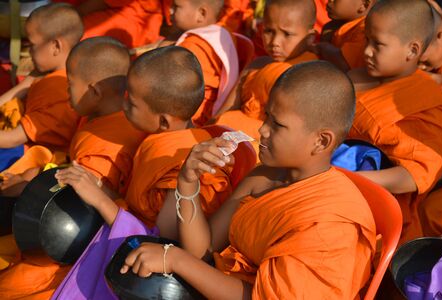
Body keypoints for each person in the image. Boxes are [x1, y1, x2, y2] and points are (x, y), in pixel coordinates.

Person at [119, 61, 376, 299]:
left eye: (277, 124)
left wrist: (175, 260)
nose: (262, 129)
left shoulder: (329, 225)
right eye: (266, 117)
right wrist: (188, 182)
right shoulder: (264, 176)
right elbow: (204, 248)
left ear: (321, 141)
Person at [51, 46, 256, 299]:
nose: (123, 103)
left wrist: (101, 200)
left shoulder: (183, 164)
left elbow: (162, 242)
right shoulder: (191, 136)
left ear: (163, 122)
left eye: (132, 103)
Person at [0, 36, 148, 300]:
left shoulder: (107, 141)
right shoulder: (103, 118)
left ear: (94, 92)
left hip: (71, 241)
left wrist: (24, 186)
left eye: (70, 86)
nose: (67, 94)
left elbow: (77, 206)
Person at [347, 0, 442, 243]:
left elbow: (415, 175)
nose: (367, 51)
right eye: (367, 40)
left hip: (376, 212)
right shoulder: (355, 75)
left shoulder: (422, 99)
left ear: (412, 50)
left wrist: (349, 179)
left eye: (378, 44)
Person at [214, 0, 318, 140]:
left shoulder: (309, 73)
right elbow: (224, 111)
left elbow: (291, 133)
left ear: (310, 38)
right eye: (269, 31)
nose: (275, 42)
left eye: (287, 34)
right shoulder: (257, 64)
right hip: (228, 136)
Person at [0, 3, 82, 160]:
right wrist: (26, 84)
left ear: (56, 46)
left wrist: (26, 84)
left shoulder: (61, 87)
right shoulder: (52, 76)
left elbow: (12, 139)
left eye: (32, 45)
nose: (29, 51)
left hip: (36, 159)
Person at [313, 0, 375, 72]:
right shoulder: (341, 23)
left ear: (364, 5)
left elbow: (344, 64)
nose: (329, 1)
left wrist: (319, 46)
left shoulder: (364, 30)